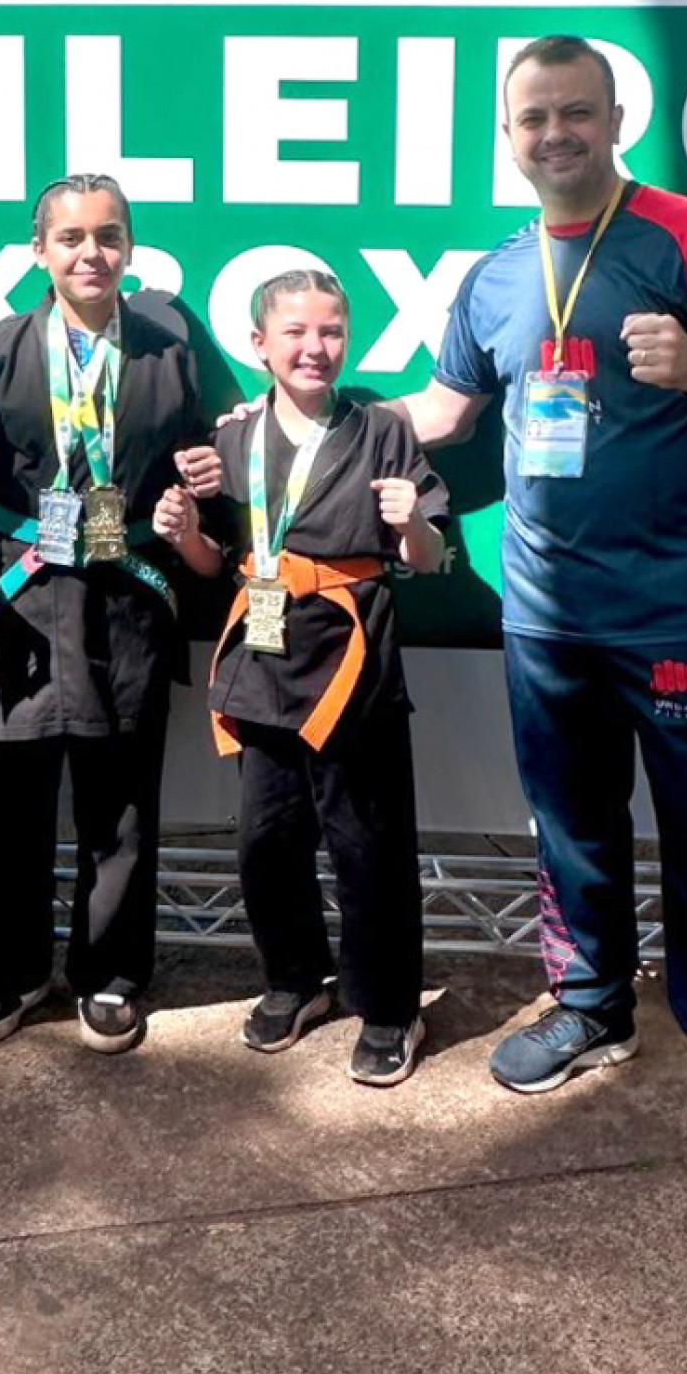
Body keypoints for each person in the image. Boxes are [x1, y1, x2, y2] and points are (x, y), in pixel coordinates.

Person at [395, 36, 687, 1207]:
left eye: (575, 112)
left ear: (614, 114)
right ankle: (592, 1006)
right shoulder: (492, 271)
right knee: (570, 826)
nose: (555, 135)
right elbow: (447, 405)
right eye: (533, 119)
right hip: (543, 612)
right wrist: (314, 417)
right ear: (508, 135)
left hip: (672, 608)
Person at [0, 173, 221, 1054]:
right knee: (7, 799)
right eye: (70, 238)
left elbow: (213, 448)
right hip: (20, 596)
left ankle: (109, 974)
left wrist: (205, 477)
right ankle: (11, 972)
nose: (90, 253)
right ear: (39, 251)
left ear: (129, 248)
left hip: (125, 593)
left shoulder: (171, 348)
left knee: (120, 802)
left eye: (108, 236)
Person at [172, 271, 448, 1086]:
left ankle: (391, 1005)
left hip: (353, 661)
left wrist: (415, 523)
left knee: (368, 843)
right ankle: (293, 980)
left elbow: (425, 562)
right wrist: (185, 530)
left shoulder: (382, 432)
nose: (313, 348)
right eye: (294, 332)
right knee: (265, 839)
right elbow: (211, 562)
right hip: (262, 658)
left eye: (329, 332)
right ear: (259, 344)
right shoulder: (231, 443)